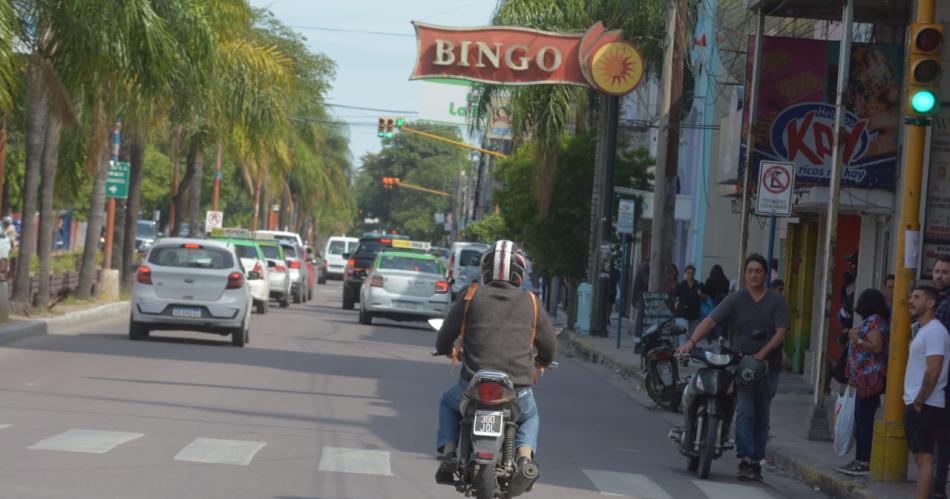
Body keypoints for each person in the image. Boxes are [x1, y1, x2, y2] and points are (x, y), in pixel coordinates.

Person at [434, 240, 557, 484]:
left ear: (486, 271)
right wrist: (542, 360)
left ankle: (449, 454)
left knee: (448, 403)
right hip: (517, 389)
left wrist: (445, 349)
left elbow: (444, 337)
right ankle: (523, 460)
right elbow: (549, 348)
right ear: (519, 274)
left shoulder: (471, 296)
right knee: (530, 416)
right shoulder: (531, 302)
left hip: (473, 384)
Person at [676, 253, 789, 482]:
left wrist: (760, 355)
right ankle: (746, 459)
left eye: (758, 271)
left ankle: (757, 460)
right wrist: (690, 342)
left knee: (762, 414)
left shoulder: (777, 301)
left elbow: (781, 333)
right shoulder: (736, 299)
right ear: (745, 274)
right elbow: (710, 320)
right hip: (741, 366)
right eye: (750, 271)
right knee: (745, 412)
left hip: (768, 367)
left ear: (765, 274)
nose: (754, 275)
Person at [836, 288, 889, 476]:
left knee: (864, 419)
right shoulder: (872, 321)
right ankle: (860, 458)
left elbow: (876, 347)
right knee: (861, 418)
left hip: (869, 378)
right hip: (861, 378)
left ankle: (863, 460)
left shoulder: (874, 321)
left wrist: (856, 339)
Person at [904, 285, 950, 499]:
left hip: (926, 404)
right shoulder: (923, 330)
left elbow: (933, 369)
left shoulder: (935, 331)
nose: (911, 301)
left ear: (930, 303)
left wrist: (919, 400)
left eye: (917, 297)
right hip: (920, 402)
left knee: (924, 459)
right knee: (921, 457)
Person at [931, 256, 950, 498]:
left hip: (944, 381)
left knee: (941, 436)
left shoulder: (945, 305)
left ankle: (937, 487)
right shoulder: (941, 301)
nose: (938, 276)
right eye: (936, 271)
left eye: (944, 272)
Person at [675, 264, 704, 338]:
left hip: (694, 314)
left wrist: (701, 295)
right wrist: (676, 302)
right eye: (688, 273)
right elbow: (674, 295)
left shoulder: (698, 285)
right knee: (683, 336)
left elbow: (706, 297)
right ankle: (682, 349)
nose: (690, 275)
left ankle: (689, 349)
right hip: (682, 313)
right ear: (685, 274)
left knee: (692, 336)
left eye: (692, 273)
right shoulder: (681, 285)